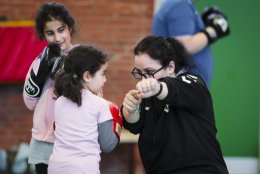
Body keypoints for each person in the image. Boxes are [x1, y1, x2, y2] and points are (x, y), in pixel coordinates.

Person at [121, 35, 229, 173]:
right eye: (139, 73)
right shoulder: (148, 95)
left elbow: (173, 89)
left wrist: (158, 87)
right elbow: (133, 125)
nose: (144, 79)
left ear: (171, 67)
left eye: (149, 72)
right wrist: (131, 108)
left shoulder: (191, 82)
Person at [47, 45, 122, 174]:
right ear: (87, 76)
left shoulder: (59, 101)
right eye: (103, 74)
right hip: (84, 169)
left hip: (55, 167)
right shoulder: (100, 105)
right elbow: (108, 145)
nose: (105, 80)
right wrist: (118, 120)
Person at [23, 2, 77, 173]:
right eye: (50, 33)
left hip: (73, 141)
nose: (57, 38)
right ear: (43, 36)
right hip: (44, 142)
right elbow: (29, 103)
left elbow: (95, 95)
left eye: (61, 30)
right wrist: (40, 74)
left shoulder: (83, 58)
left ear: (69, 28)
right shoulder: (39, 62)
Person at [152, 0, 230, 87]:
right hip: (181, 87)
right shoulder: (180, 5)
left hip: (184, 87)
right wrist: (215, 29)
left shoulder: (180, 4)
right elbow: (183, 46)